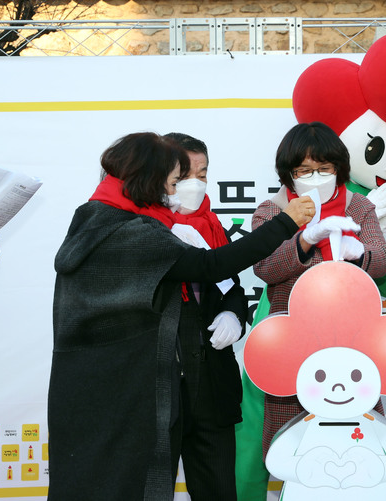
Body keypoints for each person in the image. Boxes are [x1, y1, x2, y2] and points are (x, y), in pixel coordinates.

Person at [48, 132, 314, 501]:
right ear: (149, 178)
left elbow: (223, 279)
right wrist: (285, 223)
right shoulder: (134, 231)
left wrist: (233, 315)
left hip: (108, 384)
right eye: (174, 181)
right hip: (129, 388)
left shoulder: (96, 218)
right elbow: (210, 265)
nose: (177, 190)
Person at [251, 121, 386, 466]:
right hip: (292, 345)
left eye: (324, 169)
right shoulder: (271, 212)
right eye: (305, 170)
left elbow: (383, 260)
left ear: (339, 169)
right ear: (289, 175)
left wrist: (359, 254)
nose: (315, 177)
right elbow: (265, 267)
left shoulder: (358, 207)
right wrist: (305, 240)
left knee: (357, 442)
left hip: (352, 343)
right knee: (293, 451)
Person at [163, 132, 244, 499]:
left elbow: (234, 289)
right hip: (160, 392)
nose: (194, 185)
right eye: (183, 177)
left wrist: (233, 317)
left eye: (203, 174)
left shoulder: (213, 228)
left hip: (212, 386)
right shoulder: (141, 231)